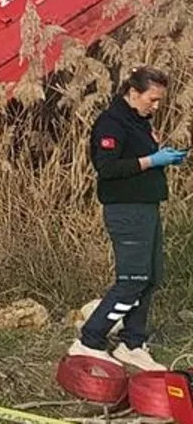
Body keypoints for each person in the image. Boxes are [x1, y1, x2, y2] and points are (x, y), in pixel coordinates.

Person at [69, 66, 184, 372]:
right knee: (131, 280)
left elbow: (137, 160)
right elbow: (107, 168)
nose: (156, 106)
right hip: (126, 211)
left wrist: (166, 157)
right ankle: (89, 341)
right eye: (153, 99)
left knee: (151, 277)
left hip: (147, 207)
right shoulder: (112, 122)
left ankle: (132, 343)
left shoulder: (139, 121)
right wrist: (151, 160)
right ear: (133, 94)